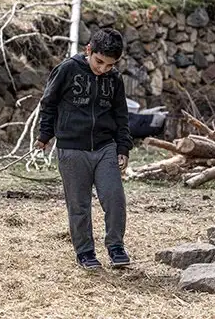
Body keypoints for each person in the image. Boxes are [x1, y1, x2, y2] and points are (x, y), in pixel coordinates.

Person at [35, 28, 133, 270]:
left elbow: (121, 115)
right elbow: (49, 103)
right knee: (78, 204)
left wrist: (123, 147)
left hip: (105, 147)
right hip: (72, 148)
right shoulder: (67, 69)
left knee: (114, 199)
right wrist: (44, 135)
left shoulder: (115, 79)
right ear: (88, 50)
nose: (103, 69)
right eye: (99, 62)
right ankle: (85, 251)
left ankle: (115, 246)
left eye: (110, 65)